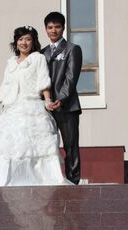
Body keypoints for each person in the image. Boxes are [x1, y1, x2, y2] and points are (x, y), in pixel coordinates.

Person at [0, 26, 68, 187]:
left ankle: (35, 181)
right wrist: (2, 114)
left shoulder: (38, 59)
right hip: (12, 109)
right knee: (6, 146)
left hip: (32, 106)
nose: (24, 43)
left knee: (33, 148)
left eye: (28, 39)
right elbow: (6, 87)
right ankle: (5, 181)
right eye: (20, 39)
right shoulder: (11, 63)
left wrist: (47, 101)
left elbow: (43, 81)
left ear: (33, 42)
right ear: (16, 42)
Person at [42, 12, 83, 184]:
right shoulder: (41, 53)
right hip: (47, 108)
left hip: (67, 107)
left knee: (70, 146)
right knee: (47, 147)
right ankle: (52, 181)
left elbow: (71, 78)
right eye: (50, 27)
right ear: (45, 29)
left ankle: (73, 182)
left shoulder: (72, 49)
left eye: (57, 27)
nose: (53, 30)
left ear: (63, 28)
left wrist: (62, 98)